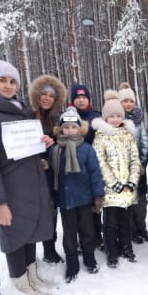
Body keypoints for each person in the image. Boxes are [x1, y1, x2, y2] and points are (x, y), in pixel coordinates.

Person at [0, 60, 54, 295]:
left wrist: (42, 144)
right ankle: (20, 282)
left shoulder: (20, 108)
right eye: (2, 80)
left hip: (31, 182)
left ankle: (32, 276)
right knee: (14, 233)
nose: (8, 86)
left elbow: (24, 147)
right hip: (9, 186)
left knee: (30, 229)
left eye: (12, 81)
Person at [47, 107, 104, 283]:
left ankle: (89, 258)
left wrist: (98, 196)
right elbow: (51, 175)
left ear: (79, 128)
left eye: (73, 127)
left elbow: (95, 173)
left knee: (87, 232)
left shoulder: (87, 149)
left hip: (85, 199)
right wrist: (51, 196)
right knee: (69, 235)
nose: (70, 130)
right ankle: (72, 264)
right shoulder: (55, 150)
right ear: (61, 129)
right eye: (66, 127)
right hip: (66, 201)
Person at [92, 90, 141, 268]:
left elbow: (135, 160)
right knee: (110, 223)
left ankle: (126, 247)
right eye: (111, 116)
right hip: (111, 190)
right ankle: (112, 252)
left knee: (125, 221)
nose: (114, 119)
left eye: (118, 115)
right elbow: (100, 162)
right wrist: (114, 184)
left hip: (127, 189)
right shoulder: (100, 137)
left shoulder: (128, 135)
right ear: (105, 117)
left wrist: (131, 181)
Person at [28, 74, 66, 264]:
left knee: (51, 212)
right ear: (37, 95)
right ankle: (29, 255)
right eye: (44, 94)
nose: (47, 99)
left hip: (51, 175)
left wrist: (50, 159)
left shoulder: (57, 119)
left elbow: (61, 147)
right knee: (34, 214)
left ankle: (50, 250)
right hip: (31, 175)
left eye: (51, 96)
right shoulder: (27, 115)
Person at [70, 84, 104, 249]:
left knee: (94, 202)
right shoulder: (68, 117)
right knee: (78, 206)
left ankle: (97, 235)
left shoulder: (96, 117)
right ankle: (80, 237)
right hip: (74, 167)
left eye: (84, 97)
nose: (81, 100)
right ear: (73, 100)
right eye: (78, 97)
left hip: (94, 165)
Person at [118, 82, 148, 244]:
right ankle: (132, 231)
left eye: (131, 101)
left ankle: (141, 227)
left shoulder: (139, 123)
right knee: (128, 202)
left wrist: (141, 165)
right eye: (125, 101)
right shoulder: (116, 121)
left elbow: (145, 145)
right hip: (123, 172)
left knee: (140, 203)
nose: (128, 104)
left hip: (139, 172)